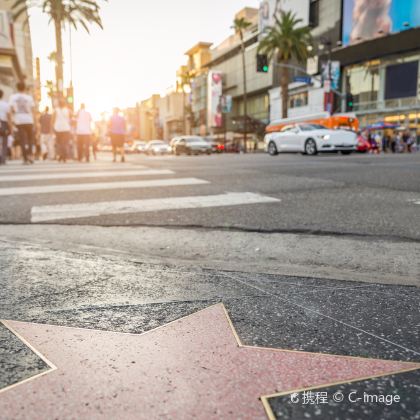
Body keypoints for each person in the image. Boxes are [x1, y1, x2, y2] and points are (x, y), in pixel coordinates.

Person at [9, 81, 36, 164]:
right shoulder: (29, 98)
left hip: (19, 120)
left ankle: (25, 158)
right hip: (29, 120)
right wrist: (35, 122)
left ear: (17, 88)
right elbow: (33, 110)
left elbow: (11, 110)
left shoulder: (13, 97)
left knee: (22, 140)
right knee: (31, 139)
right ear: (25, 88)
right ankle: (30, 155)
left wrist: (11, 121)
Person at [53, 99, 72, 163]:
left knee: (59, 143)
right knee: (65, 143)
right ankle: (64, 156)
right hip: (66, 128)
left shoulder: (56, 110)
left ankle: (61, 155)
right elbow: (71, 119)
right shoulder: (68, 110)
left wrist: (52, 129)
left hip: (58, 128)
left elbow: (53, 120)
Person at [0, 89, 10, 164]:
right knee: (4, 142)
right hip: (3, 123)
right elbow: (8, 116)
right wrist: (10, 127)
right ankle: (3, 159)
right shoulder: (5, 104)